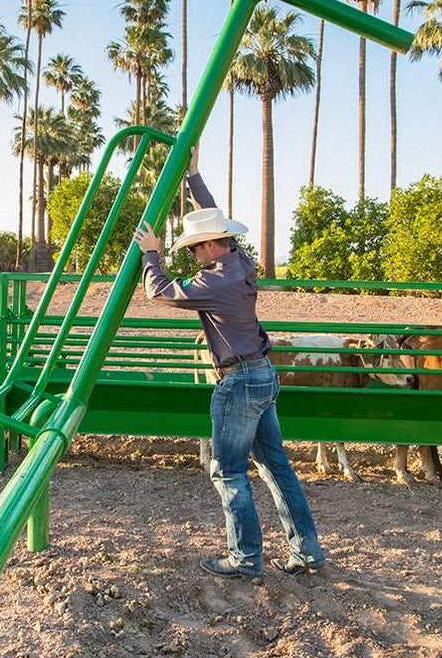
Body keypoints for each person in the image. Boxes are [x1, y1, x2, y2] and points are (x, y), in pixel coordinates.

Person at [133, 147, 326, 579]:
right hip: (262, 373)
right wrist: (194, 177)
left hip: (238, 380)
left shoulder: (214, 280)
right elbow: (214, 220)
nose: (194, 256)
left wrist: (152, 253)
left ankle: (245, 558)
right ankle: (307, 551)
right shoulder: (239, 262)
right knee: (276, 465)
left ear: (210, 245)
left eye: (196, 248)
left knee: (229, 472)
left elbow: (159, 291)